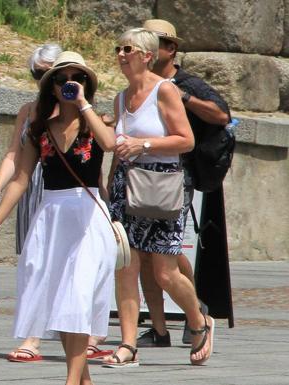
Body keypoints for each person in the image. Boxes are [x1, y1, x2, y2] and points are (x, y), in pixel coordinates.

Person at [0, 50, 117, 385]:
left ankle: (70, 381)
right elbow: (21, 179)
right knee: (62, 302)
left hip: (87, 217)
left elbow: (110, 144)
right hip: (52, 217)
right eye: (62, 78)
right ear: (51, 87)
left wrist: (83, 104)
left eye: (78, 78)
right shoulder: (40, 131)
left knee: (78, 297)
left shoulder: (98, 122)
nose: (70, 84)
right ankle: (82, 380)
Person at [102, 28, 215, 368]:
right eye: (118, 48)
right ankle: (127, 344)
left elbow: (186, 140)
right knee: (126, 267)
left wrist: (144, 144)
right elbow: (119, 149)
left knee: (164, 273)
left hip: (162, 185)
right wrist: (109, 186)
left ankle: (199, 321)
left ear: (147, 55)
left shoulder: (165, 91)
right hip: (126, 185)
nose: (121, 54)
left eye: (128, 49)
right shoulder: (121, 97)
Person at [136, 19, 230, 348]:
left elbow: (221, 115)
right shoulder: (139, 84)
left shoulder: (184, 81)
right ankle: (159, 329)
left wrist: (183, 95)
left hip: (177, 176)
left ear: (170, 49)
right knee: (145, 256)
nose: (145, 49)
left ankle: (198, 314)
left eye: (153, 42)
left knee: (164, 255)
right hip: (140, 177)